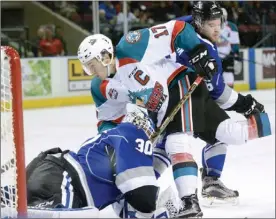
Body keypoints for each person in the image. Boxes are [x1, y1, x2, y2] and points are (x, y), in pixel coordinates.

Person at [77, 2, 271, 216]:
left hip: (179, 85)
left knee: (176, 141)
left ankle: (189, 202)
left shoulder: (129, 45)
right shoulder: (101, 86)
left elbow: (176, 29)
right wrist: (113, 145)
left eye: (90, 65)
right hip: (168, 108)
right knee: (230, 133)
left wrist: (198, 52)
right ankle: (265, 124)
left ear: (105, 56)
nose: (90, 72)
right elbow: (107, 121)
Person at [174, 1, 269, 204]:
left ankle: (211, 182)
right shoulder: (205, 47)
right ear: (199, 22)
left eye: (219, 23)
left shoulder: (179, 25)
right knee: (229, 132)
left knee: (217, 137)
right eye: (211, 24)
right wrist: (246, 104)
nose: (217, 29)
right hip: (183, 102)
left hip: (178, 99)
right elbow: (218, 93)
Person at [1, 111, 178, 218]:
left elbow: (132, 206)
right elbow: (144, 198)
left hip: (51, 174)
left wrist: (165, 154)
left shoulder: (112, 143)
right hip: (64, 181)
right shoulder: (133, 133)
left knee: (13, 208)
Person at [217, 7, 241, 88]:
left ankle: (230, 98)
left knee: (229, 81)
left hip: (228, 58)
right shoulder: (212, 27)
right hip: (215, 58)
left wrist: (236, 57)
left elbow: (235, 43)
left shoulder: (232, 26)